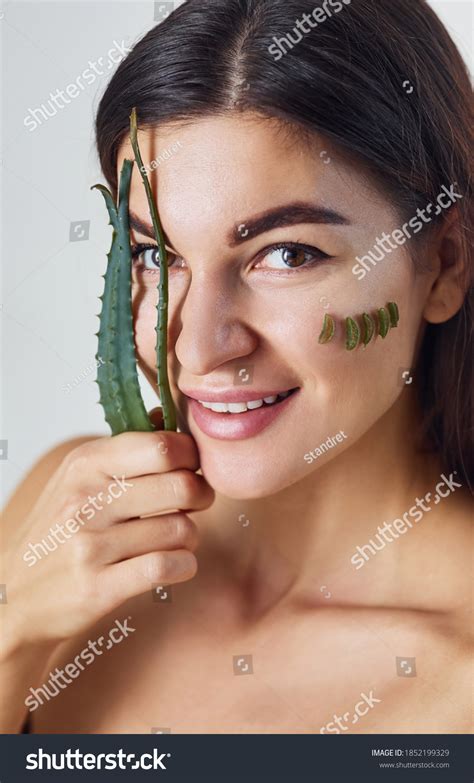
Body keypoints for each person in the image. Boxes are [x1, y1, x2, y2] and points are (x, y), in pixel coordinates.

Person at [2, 0, 472, 734]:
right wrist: (12, 633)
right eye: (159, 255)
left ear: (443, 262)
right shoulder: (70, 523)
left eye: (287, 254)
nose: (198, 348)